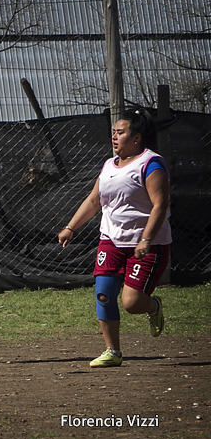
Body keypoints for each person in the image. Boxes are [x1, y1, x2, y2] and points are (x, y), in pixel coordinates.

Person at [58, 109, 170, 368]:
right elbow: (94, 200)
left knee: (131, 303)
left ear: (137, 137)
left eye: (121, 132)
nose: (115, 137)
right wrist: (71, 227)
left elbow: (160, 205)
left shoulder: (151, 163)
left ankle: (153, 306)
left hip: (147, 245)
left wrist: (146, 239)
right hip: (111, 240)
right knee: (104, 295)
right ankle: (113, 352)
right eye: (113, 132)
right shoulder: (109, 165)